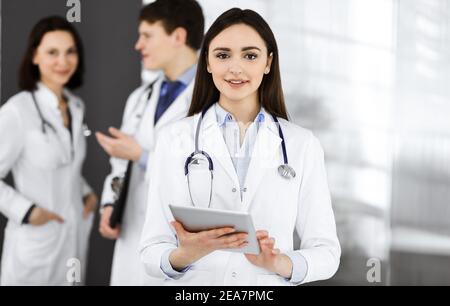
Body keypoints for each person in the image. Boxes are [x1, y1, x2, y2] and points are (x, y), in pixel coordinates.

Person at [139, 8, 341, 286]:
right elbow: (151, 250)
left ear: (268, 62)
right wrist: (185, 255)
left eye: (250, 55)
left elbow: (327, 252)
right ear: (207, 62)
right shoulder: (174, 139)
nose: (236, 67)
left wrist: (279, 263)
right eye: (222, 55)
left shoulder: (301, 144)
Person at [95, 0, 204, 285]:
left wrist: (141, 155)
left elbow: (206, 172)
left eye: (147, 35)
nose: (138, 45)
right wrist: (110, 203)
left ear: (178, 37)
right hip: (132, 232)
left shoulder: (212, 100)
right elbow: (120, 165)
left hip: (178, 241)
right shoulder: (139, 98)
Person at [0, 16, 97, 285]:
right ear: (34, 56)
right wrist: (27, 211)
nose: (63, 62)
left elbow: (66, 165)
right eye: (52, 52)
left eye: (70, 52)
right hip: (35, 243)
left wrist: (86, 192)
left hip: (72, 237)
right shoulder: (18, 111)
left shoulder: (76, 107)